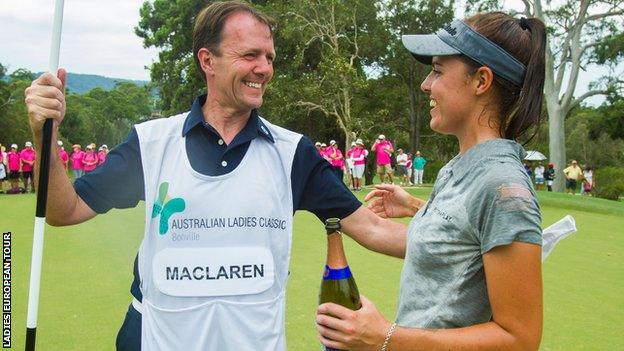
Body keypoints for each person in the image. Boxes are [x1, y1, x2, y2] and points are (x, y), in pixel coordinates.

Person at [24, 2, 404, 350]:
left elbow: (374, 230)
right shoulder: (152, 143)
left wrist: (463, 240)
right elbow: (64, 210)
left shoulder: (293, 154)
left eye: (269, 57)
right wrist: (46, 134)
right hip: (154, 337)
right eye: (250, 55)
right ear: (208, 60)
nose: (265, 68)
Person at [317, 12, 545, 350]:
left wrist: (384, 337)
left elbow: (520, 338)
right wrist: (414, 206)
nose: (426, 84)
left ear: (481, 81)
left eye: (438, 70)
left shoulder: (502, 188)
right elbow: (458, 244)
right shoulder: (460, 168)